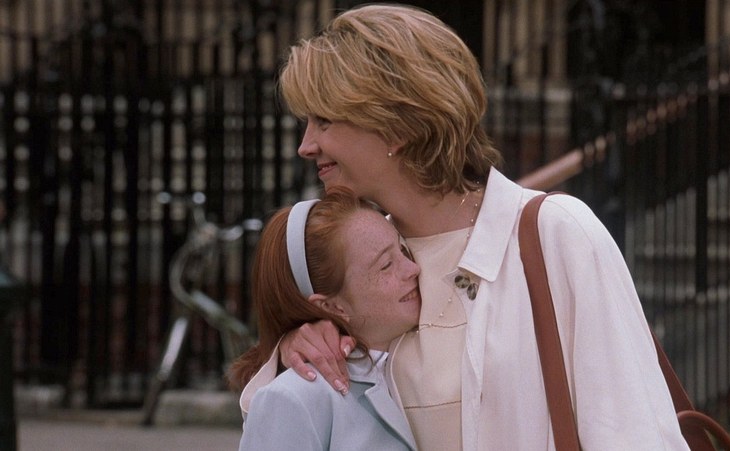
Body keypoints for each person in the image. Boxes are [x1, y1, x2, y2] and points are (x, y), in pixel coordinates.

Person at [276, 4, 690, 450]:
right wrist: (296, 351)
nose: (306, 146)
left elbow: (634, 433)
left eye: (324, 121)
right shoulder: (357, 266)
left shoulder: (557, 234)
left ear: (395, 125)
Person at [227, 187, 420, 450]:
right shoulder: (295, 398)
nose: (413, 268)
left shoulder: (418, 352)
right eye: (386, 265)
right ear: (331, 306)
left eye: (403, 250)